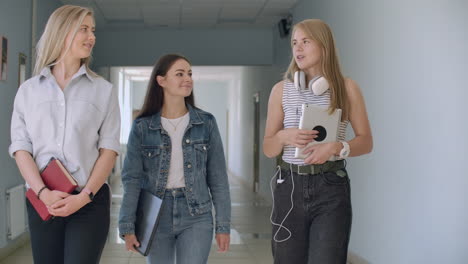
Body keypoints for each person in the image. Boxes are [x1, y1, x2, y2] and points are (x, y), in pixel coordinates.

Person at [8, 5, 120, 264]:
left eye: (92, 30)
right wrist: (42, 192)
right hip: (43, 200)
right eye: (83, 29)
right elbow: (21, 148)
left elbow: (109, 150)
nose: (91, 37)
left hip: (88, 201)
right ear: (61, 32)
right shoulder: (28, 91)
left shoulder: (103, 91)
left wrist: (84, 197)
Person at [263, 19, 373, 264]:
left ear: (324, 46)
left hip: (331, 187)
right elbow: (269, 148)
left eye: (305, 42)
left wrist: (338, 147)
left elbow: (366, 141)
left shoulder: (347, 88)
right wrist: (283, 136)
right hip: (288, 186)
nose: (298, 48)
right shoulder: (281, 90)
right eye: (294, 43)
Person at [119, 54, 231, 264]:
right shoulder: (142, 127)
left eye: (189, 73)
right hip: (155, 215)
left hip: (197, 214)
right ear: (161, 81)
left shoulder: (206, 123)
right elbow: (131, 179)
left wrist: (223, 225)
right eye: (179, 74)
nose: (187, 78)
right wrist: (127, 225)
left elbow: (218, 179)